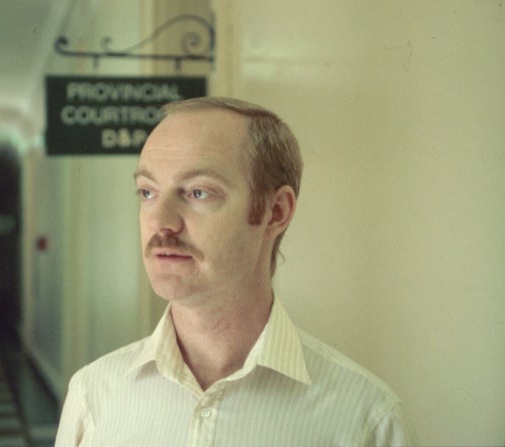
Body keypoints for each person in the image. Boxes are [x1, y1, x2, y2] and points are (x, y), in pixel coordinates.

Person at [54, 97, 417, 446]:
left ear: (275, 211)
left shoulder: (367, 418)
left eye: (198, 192)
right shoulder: (93, 395)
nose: (160, 222)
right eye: (147, 192)